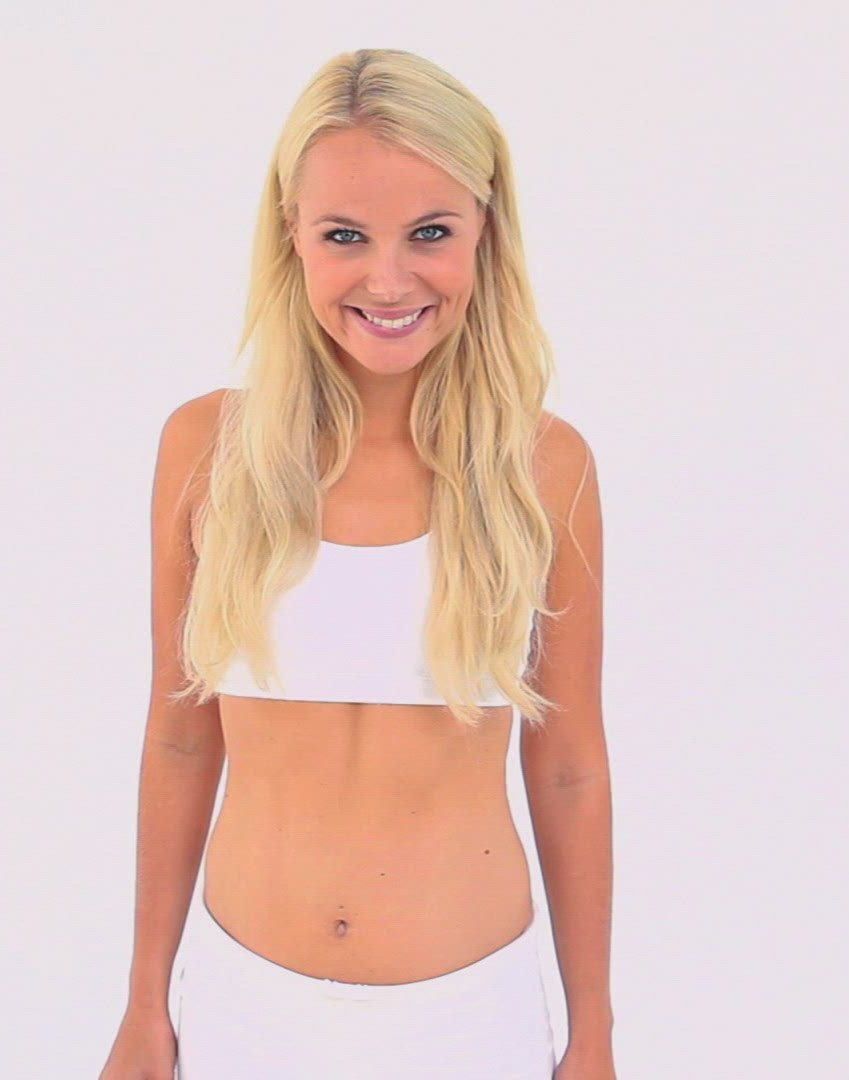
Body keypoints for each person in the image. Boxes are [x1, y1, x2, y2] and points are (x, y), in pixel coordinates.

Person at [99, 48, 613, 1080]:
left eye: (431, 232)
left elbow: (567, 765)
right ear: (290, 233)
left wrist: (593, 1034)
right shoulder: (206, 452)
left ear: (486, 231)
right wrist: (145, 1003)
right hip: (247, 1007)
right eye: (345, 235)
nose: (389, 279)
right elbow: (182, 737)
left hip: (470, 1017)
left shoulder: (541, 467)